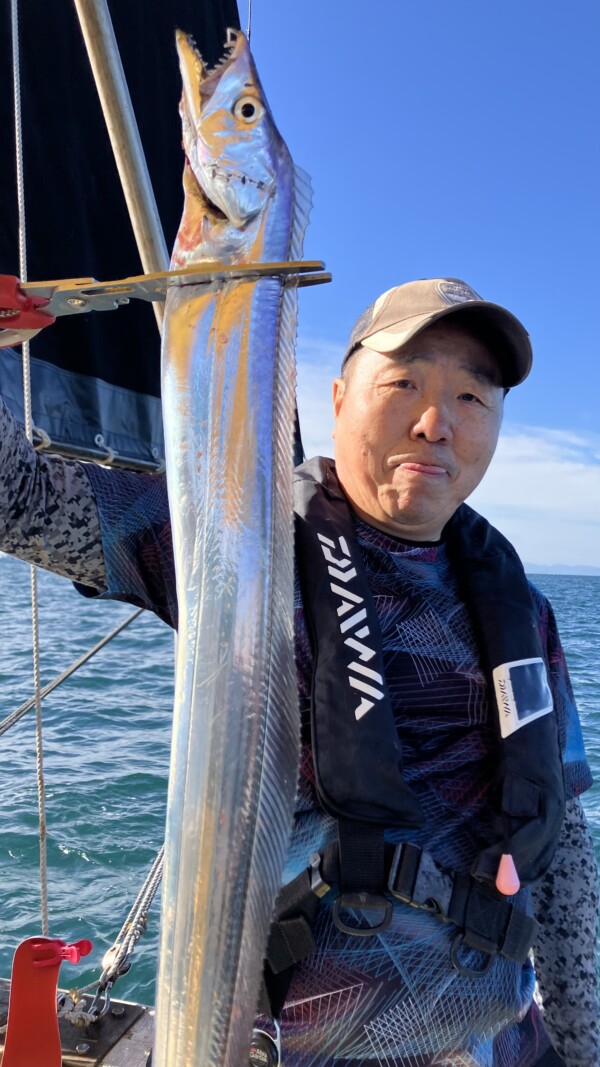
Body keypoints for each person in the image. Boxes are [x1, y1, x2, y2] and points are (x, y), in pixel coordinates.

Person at [0, 277, 598, 1067]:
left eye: (471, 397)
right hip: (289, 1044)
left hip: (501, 1042)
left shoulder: (520, 606)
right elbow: (23, 498)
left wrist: (585, 1046)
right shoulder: (237, 541)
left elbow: (562, 851)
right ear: (340, 394)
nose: (436, 423)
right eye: (405, 384)